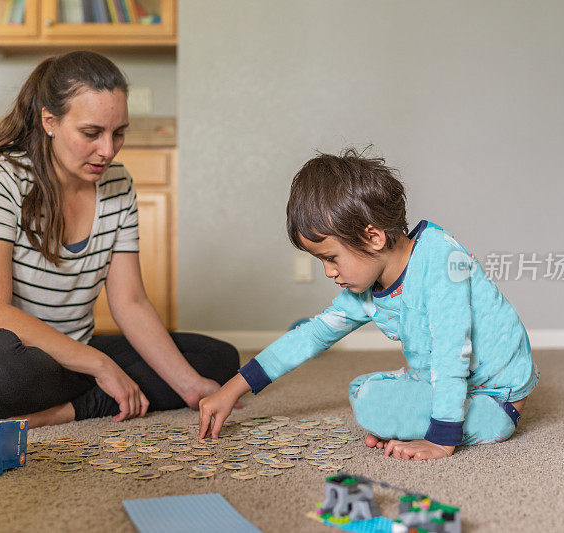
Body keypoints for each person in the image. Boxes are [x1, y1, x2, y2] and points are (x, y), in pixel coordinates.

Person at [0, 51, 239, 427]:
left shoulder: (118, 184)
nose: (107, 150)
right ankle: (94, 394)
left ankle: (62, 412)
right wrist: (101, 365)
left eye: (118, 133)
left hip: (65, 360)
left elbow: (130, 302)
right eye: (91, 133)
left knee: (218, 359)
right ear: (49, 121)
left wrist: (188, 386)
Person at [198, 148, 539, 460]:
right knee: (361, 390)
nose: (329, 272)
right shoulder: (365, 288)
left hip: (496, 396)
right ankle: (420, 413)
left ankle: (478, 422)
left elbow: (452, 350)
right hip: (449, 381)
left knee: (373, 404)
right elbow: (312, 335)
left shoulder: (441, 259)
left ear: (373, 237)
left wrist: (441, 438)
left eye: (331, 258)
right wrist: (232, 388)